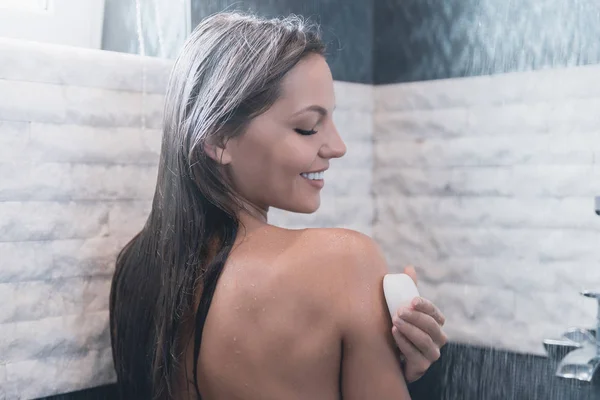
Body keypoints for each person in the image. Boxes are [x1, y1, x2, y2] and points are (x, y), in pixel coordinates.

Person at [109, 12, 447, 400]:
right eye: (307, 127)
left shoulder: (135, 270)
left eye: (331, 121)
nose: (337, 147)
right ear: (219, 139)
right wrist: (409, 373)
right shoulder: (344, 263)